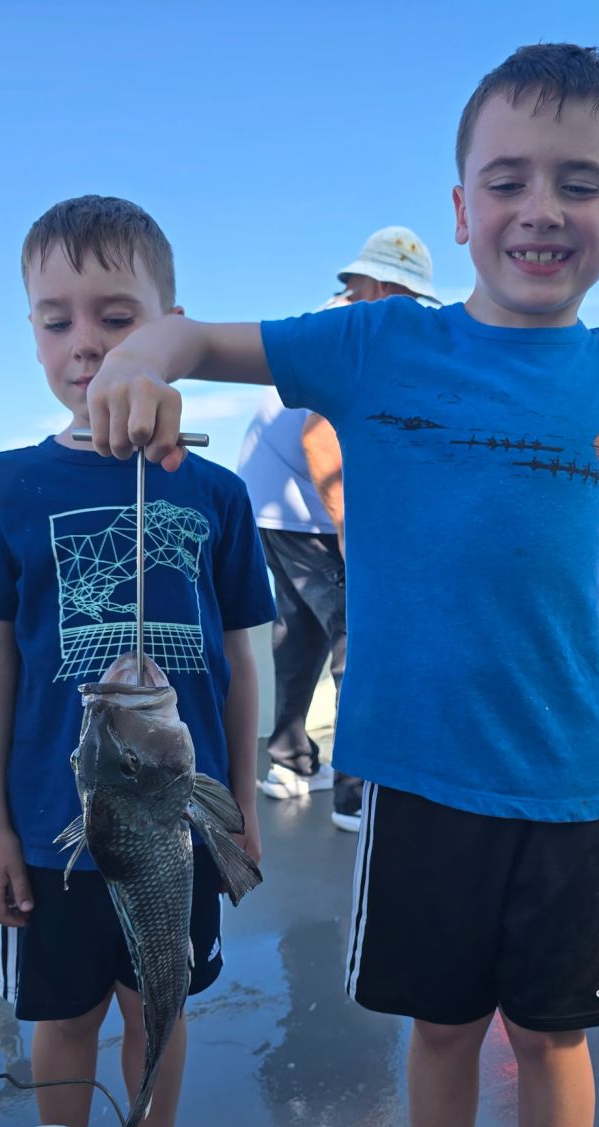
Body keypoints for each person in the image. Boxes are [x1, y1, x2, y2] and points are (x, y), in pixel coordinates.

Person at [78, 43, 599, 1127]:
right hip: (419, 771)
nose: (540, 209)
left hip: (564, 769)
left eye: (578, 183)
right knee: (439, 1030)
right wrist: (133, 360)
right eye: (505, 180)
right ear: (459, 209)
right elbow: (194, 333)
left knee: (553, 1037)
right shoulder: (375, 344)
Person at [0, 195, 275, 1127]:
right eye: (55, 320)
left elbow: (242, 659)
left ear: (167, 322)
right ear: (32, 332)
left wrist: (248, 810)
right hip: (57, 827)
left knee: (160, 1002)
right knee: (63, 1016)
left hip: (179, 820)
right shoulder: (3, 485)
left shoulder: (216, 490)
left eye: (115, 316)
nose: (84, 343)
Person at [237, 227, 439, 833]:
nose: (411, 314)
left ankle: (291, 762)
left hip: (270, 504)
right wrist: (355, 530)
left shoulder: (328, 324)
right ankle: (356, 795)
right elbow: (321, 438)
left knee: (299, 633)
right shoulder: (352, 338)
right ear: (376, 287)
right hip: (306, 511)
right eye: (407, 298)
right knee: (361, 635)